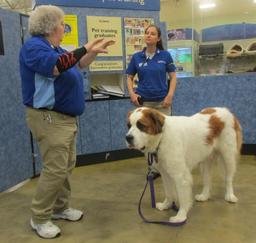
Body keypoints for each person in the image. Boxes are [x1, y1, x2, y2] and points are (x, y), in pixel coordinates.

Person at [19, 5, 114, 239]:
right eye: (62, 24)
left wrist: (91, 52)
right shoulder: (34, 47)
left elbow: (77, 65)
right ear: (51, 26)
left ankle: (60, 208)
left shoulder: (56, 47)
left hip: (65, 119)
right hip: (49, 118)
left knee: (65, 167)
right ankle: (39, 217)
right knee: (55, 170)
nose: (64, 27)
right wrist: (85, 48)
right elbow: (56, 67)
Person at [126, 24, 177, 177]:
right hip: (145, 105)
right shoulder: (137, 57)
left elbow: (173, 76)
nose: (148, 35)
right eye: (147, 33)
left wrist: (170, 95)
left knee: (166, 135)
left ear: (158, 38)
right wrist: (132, 94)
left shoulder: (165, 56)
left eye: (152, 33)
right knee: (146, 137)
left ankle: (167, 167)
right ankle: (153, 169)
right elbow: (129, 77)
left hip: (163, 103)